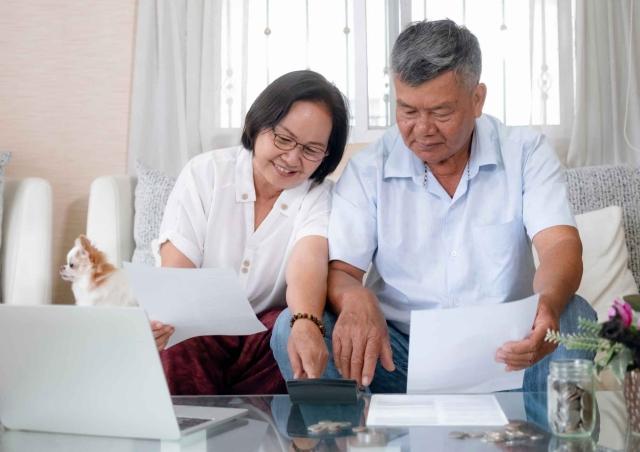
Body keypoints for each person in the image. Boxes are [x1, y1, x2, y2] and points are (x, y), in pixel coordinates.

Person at [271, 19, 595, 392]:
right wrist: (355, 297)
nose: (422, 129)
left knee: (573, 317)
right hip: (397, 356)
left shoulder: (525, 152)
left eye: (441, 112)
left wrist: (548, 305)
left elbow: (559, 246)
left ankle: (535, 444)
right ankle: (342, 442)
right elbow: (341, 272)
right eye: (408, 110)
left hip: (509, 351)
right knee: (292, 327)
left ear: (477, 99)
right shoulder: (368, 169)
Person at [152, 70, 349, 395]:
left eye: (312, 150)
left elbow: (308, 261)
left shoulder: (319, 196)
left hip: (263, 340)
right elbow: (177, 275)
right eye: (283, 139)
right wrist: (165, 321)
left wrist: (306, 322)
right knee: (177, 341)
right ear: (258, 124)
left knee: (289, 329)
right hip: (200, 331)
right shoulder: (206, 173)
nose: (292, 158)